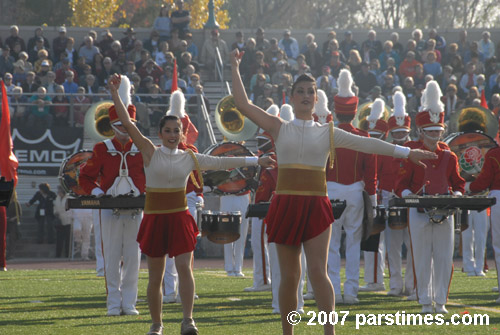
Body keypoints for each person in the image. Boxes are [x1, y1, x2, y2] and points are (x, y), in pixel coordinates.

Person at [230, 49, 436, 335]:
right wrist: (234, 67)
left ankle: (330, 331)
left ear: (316, 98)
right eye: (299, 91)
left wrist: (407, 152)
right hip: (286, 205)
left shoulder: (328, 132)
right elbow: (242, 103)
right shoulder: (278, 127)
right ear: (291, 97)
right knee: (289, 278)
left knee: (318, 273)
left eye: (310, 91)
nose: (304, 95)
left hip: (316, 206)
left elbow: (370, 145)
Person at [106, 73, 274, 335]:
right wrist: (115, 92)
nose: (173, 135)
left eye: (177, 131)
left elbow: (222, 162)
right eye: (168, 131)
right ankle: (156, 324)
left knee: (185, 269)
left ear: (183, 133)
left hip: (179, 217)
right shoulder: (149, 150)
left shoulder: (189, 157)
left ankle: (188, 320)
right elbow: (126, 123)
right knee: (155, 276)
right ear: (160, 133)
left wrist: (256, 162)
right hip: (155, 219)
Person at [395, 81, 465, 314]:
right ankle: (425, 300)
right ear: (421, 132)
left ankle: (441, 301)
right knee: (422, 256)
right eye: (430, 132)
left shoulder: (449, 155)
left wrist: (456, 194)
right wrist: (408, 196)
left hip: (445, 210)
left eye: (438, 131)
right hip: (419, 211)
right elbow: (401, 185)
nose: (435, 136)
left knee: (445, 257)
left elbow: (458, 183)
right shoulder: (411, 151)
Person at [79, 76, 144, 317]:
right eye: (121, 128)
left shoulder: (144, 148)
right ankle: (114, 304)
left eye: (129, 127)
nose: (125, 132)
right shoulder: (102, 149)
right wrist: (99, 193)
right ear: (113, 127)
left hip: (137, 209)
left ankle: (130, 303)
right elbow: (85, 178)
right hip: (109, 210)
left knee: (133, 258)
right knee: (112, 256)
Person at [327, 72, 378, 306]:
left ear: (336, 112)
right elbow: (371, 173)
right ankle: (351, 293)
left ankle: (334, 292)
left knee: (332, 245)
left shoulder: (326, 136)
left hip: (330, 192)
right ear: (355, 112)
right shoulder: (364, 136)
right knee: (354, 243)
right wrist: (373, 199)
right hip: (356, 193)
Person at [383, 92, 415, 298]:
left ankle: (412, 284)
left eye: (402, 132)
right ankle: (395, 284)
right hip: (391, 201)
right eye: (395, 133)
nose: (399, 137)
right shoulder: (385, 150)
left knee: (413, 246)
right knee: (392, 247)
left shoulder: (415, 150)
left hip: (411, 202)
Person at [358, 99, 388, 294]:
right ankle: (374, 278)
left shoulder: (385, 152)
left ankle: (376, 280)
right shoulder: (369, 149)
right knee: (373, 238)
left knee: (376, 238)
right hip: (372, 195)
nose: (374, 139)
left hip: (381, 196)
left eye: (377, 136)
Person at [466, 145, 500, 303]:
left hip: (497, 195)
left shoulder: (494, 153)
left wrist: (468, 186)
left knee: (498, 245)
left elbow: (484, 180)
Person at [53, 186, 73, 258]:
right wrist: (55, 213)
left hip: (68, 221)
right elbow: (55, 207)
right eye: (58, 191)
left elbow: (72, 210)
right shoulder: (57, 198)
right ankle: (58, 255)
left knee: (68, 239)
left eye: (60, 191)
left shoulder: (69, 198)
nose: (59, 193)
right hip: (60, 221)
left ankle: (67, 254)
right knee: (59, 239)